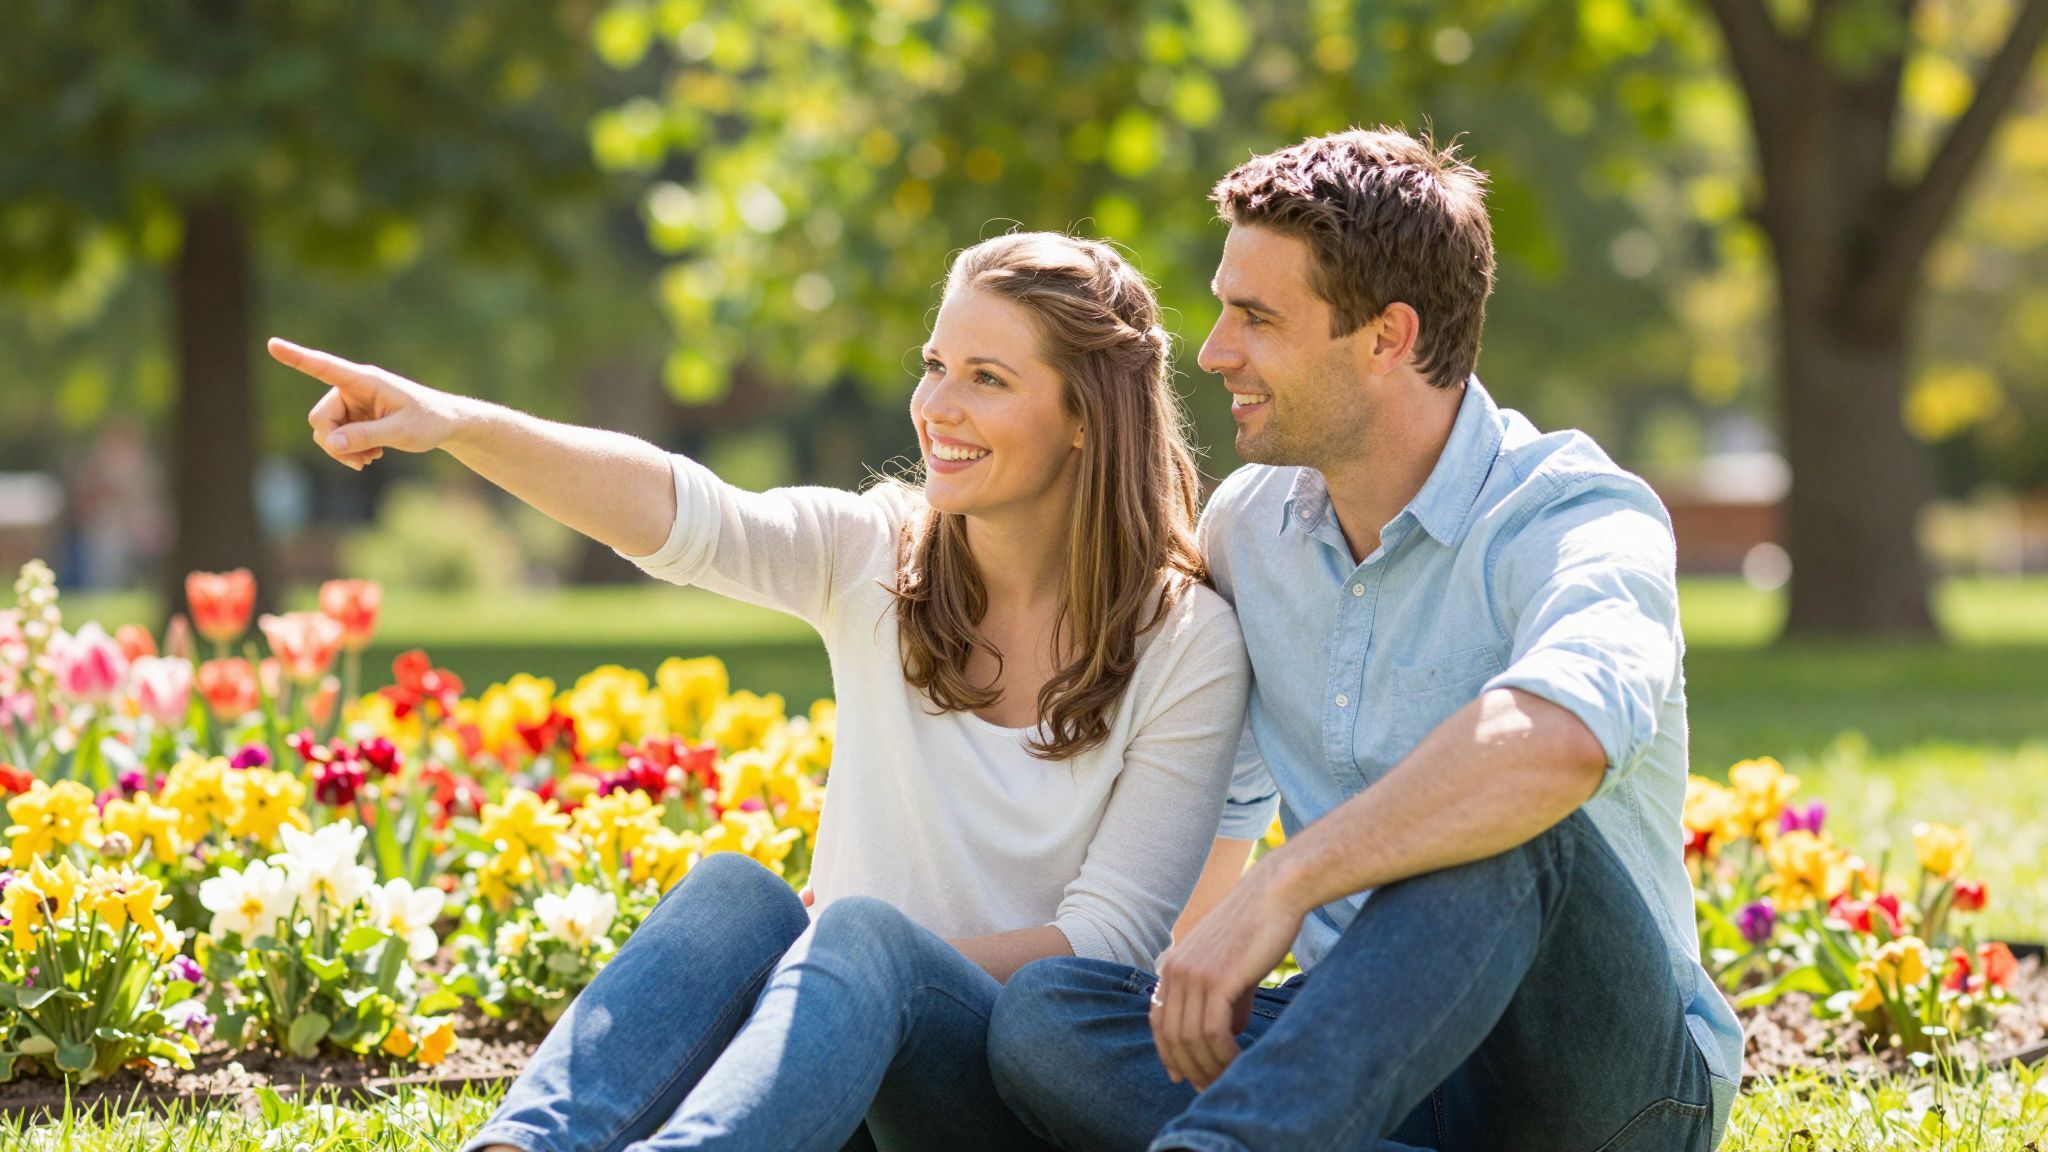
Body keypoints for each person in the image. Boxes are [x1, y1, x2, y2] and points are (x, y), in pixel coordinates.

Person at [273, 232, 1267, 1152]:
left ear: (1086, 417)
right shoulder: (879, 552)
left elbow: (1104, 946)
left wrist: (844, 962)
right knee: (739, 893)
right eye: (933, 366)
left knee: (858, 930)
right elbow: (678, 509)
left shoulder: (1185, 644)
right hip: (829, 1066)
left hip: (998, 1103)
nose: (935, 407)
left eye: (986, 379)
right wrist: (459, 425)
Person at [986, 129, 1745, 1152]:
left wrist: (1288, 883)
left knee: (1511, 825)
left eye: (1253, 317)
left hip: (1599, 1086)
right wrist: (1189, 974)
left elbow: (1559, 739)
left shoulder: (1576, 516)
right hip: (1367, 1060)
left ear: (1386, 336)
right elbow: (1229, 796)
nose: (1212, 351)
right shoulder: (1247, 530)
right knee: (1050, 1021)